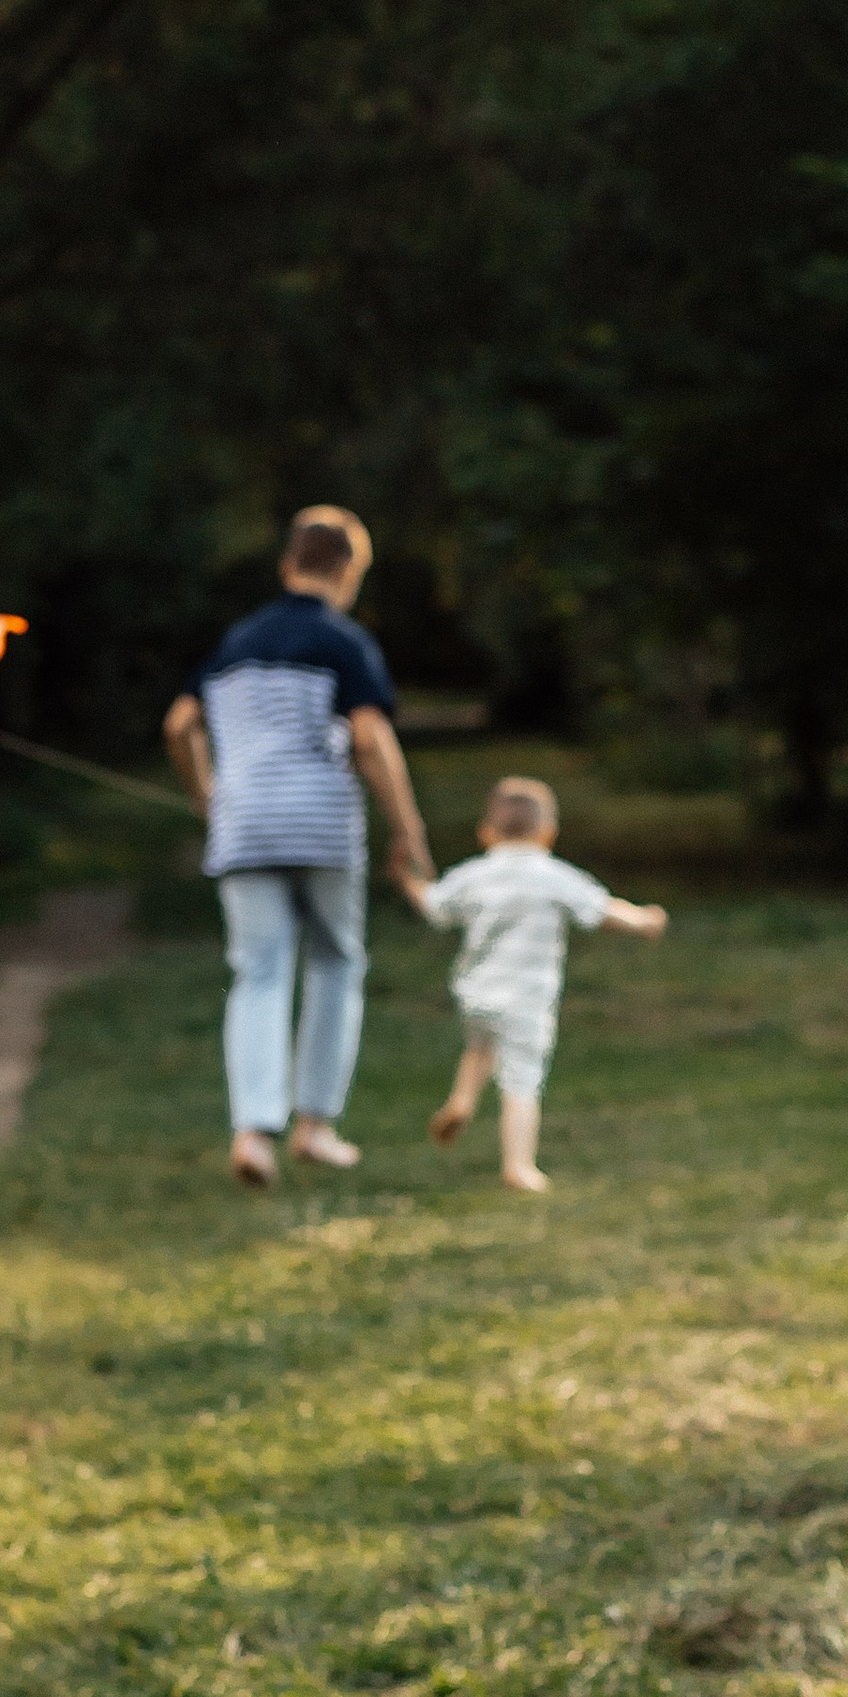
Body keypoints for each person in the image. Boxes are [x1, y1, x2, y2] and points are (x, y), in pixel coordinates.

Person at [163, 505, 432, 1188]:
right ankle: (315, 1126)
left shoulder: (236, 641)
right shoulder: (343, 641)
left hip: (244, 825)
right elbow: (369, 739)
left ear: (287, 565)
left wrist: (207, 796)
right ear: (348, 572)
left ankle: (253, 1133)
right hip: (320, 826)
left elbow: (179, 724)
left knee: (259, 973)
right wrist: (408, 828)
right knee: (337, 962)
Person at [404, 774, 667, 1193]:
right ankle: (519, 1165)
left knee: (479, 1048)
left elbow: (435, 907)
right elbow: (602, 910)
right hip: (526, 997)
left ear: (486, 833)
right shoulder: (553, 876)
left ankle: (462, 1101)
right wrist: (645, 921)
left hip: (475, 993)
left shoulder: (473, 874)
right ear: (548, 833)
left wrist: (409, 880)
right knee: (522, 1079)